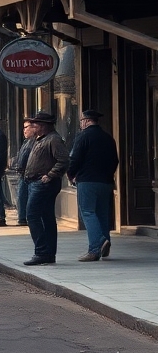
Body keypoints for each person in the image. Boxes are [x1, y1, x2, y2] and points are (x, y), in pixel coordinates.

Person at [68, 108, 119, 262]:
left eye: (82, 121)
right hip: (106, 182)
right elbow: (115, 160)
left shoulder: (83, 137)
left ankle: (96, 246)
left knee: (88, 212)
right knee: (102, 213)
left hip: (87, 181)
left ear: (87, 121)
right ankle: (103, 246)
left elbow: (75, 159)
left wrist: (71, 174)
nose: (81, 124)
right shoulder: (108, 138)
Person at [22, 111, 70, 266]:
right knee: (46, 217)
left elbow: (63, 160)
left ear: (43, 126)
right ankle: (48, 253)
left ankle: (42, 252)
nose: (32, 126)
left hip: (43, 184)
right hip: (34, 183)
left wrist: (50, 174)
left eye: (35, 124)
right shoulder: (40, 139)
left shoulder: (54, 139)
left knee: (32, 215)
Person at [12, 119, 35, 225]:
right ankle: (22, 217)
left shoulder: (35, 142)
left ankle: (25, 217)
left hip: (30, 174)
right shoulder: (26, 142)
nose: (24, 130)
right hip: (22, 173)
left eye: (27, 127)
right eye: (24, 128)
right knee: (21, 196)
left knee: (26, 196)